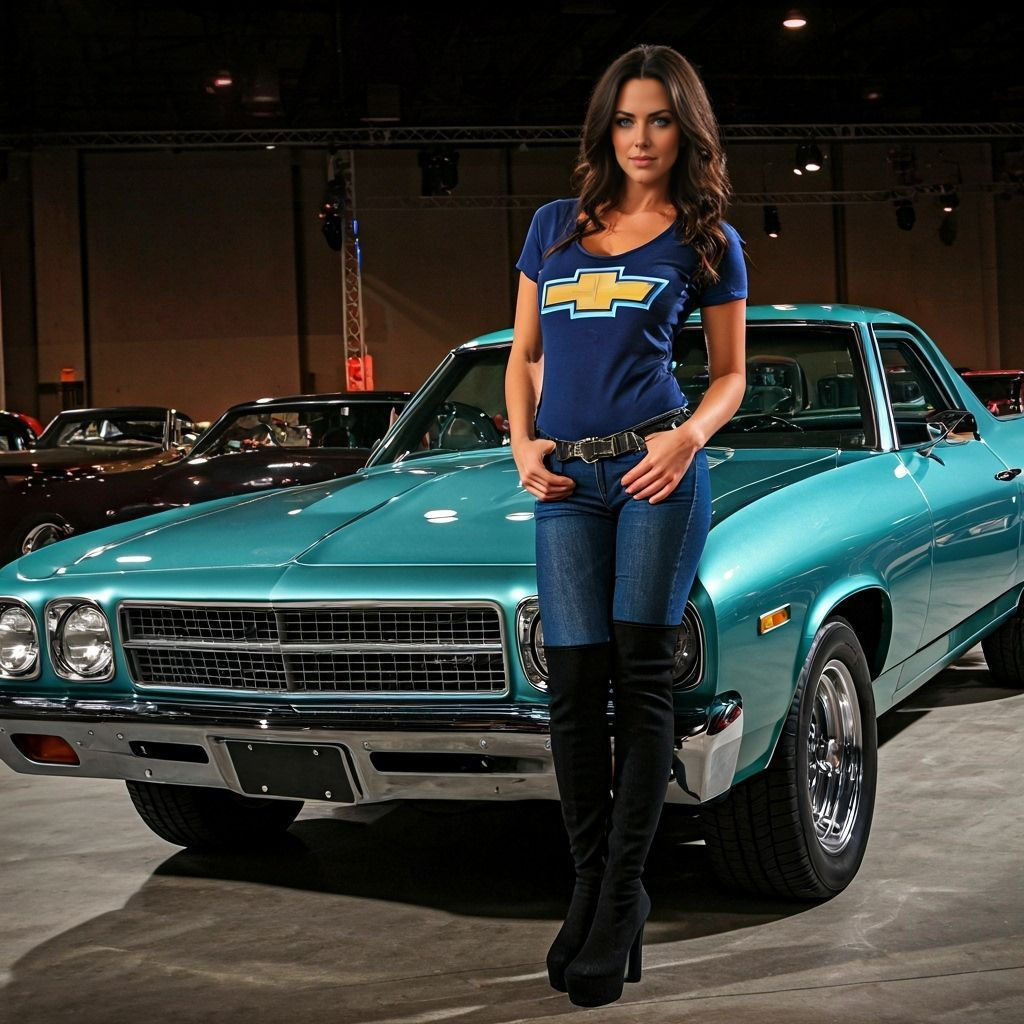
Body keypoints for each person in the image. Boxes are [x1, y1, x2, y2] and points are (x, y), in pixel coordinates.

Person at [504, 43, 748, 1008]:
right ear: (605, 129)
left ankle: (618, 901)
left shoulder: (706, 238)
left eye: (658, 119)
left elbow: (729, 374)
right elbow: (523, 356)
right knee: (572, 691)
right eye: (625, 119)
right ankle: (591, 891)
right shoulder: (553, 229)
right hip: (564, 482)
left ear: (684, 129)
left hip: (656, 474)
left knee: (642, 687)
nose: (641, 138)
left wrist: (686, 440)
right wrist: (523, 447)